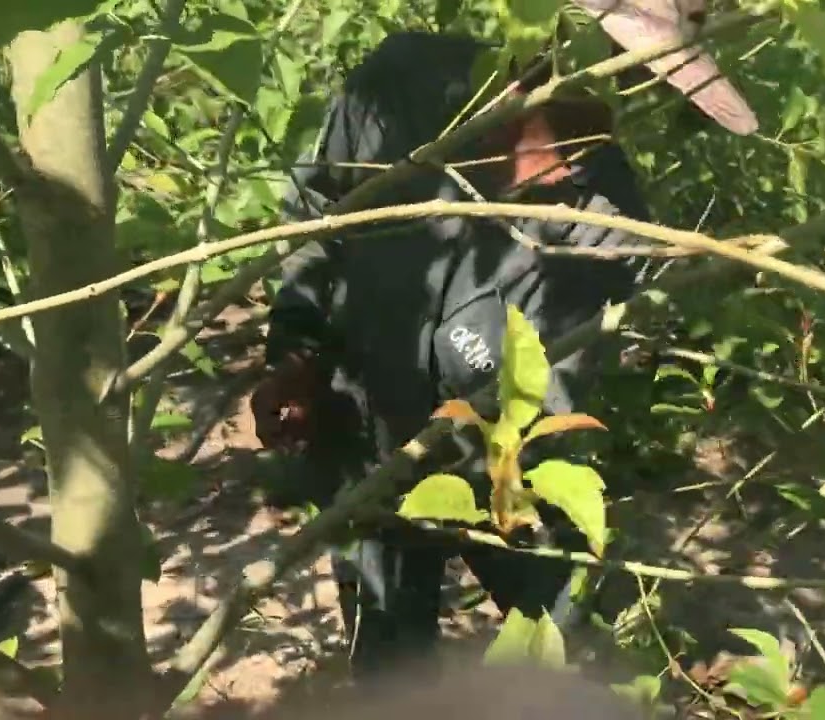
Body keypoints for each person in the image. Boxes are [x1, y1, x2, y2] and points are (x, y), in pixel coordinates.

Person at [249, 26, 756, 679]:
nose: (616, 94)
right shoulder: (402, 85)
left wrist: (452, 477)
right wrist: (298, 351)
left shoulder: (609, 230)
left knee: (565, 650)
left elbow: (537, 404)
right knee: (388, 668)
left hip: (496, 481)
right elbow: (317, 213)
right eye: (611, 63)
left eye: (639, 79)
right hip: (358, 442)